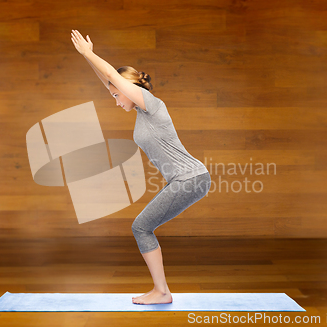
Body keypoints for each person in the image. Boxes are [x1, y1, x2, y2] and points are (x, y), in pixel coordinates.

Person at [71, 30, 211, 305]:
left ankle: (162, 292)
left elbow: (112, 77)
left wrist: (89, 53)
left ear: (127, 89)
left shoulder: (152, 105)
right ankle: (161, 290)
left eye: (116, 95)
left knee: (141, 227)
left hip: (190, 178)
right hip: (183, 180)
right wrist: (87, 59)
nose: (115, 101)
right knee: (143, 227)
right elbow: (109, 79)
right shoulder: (139, 111)